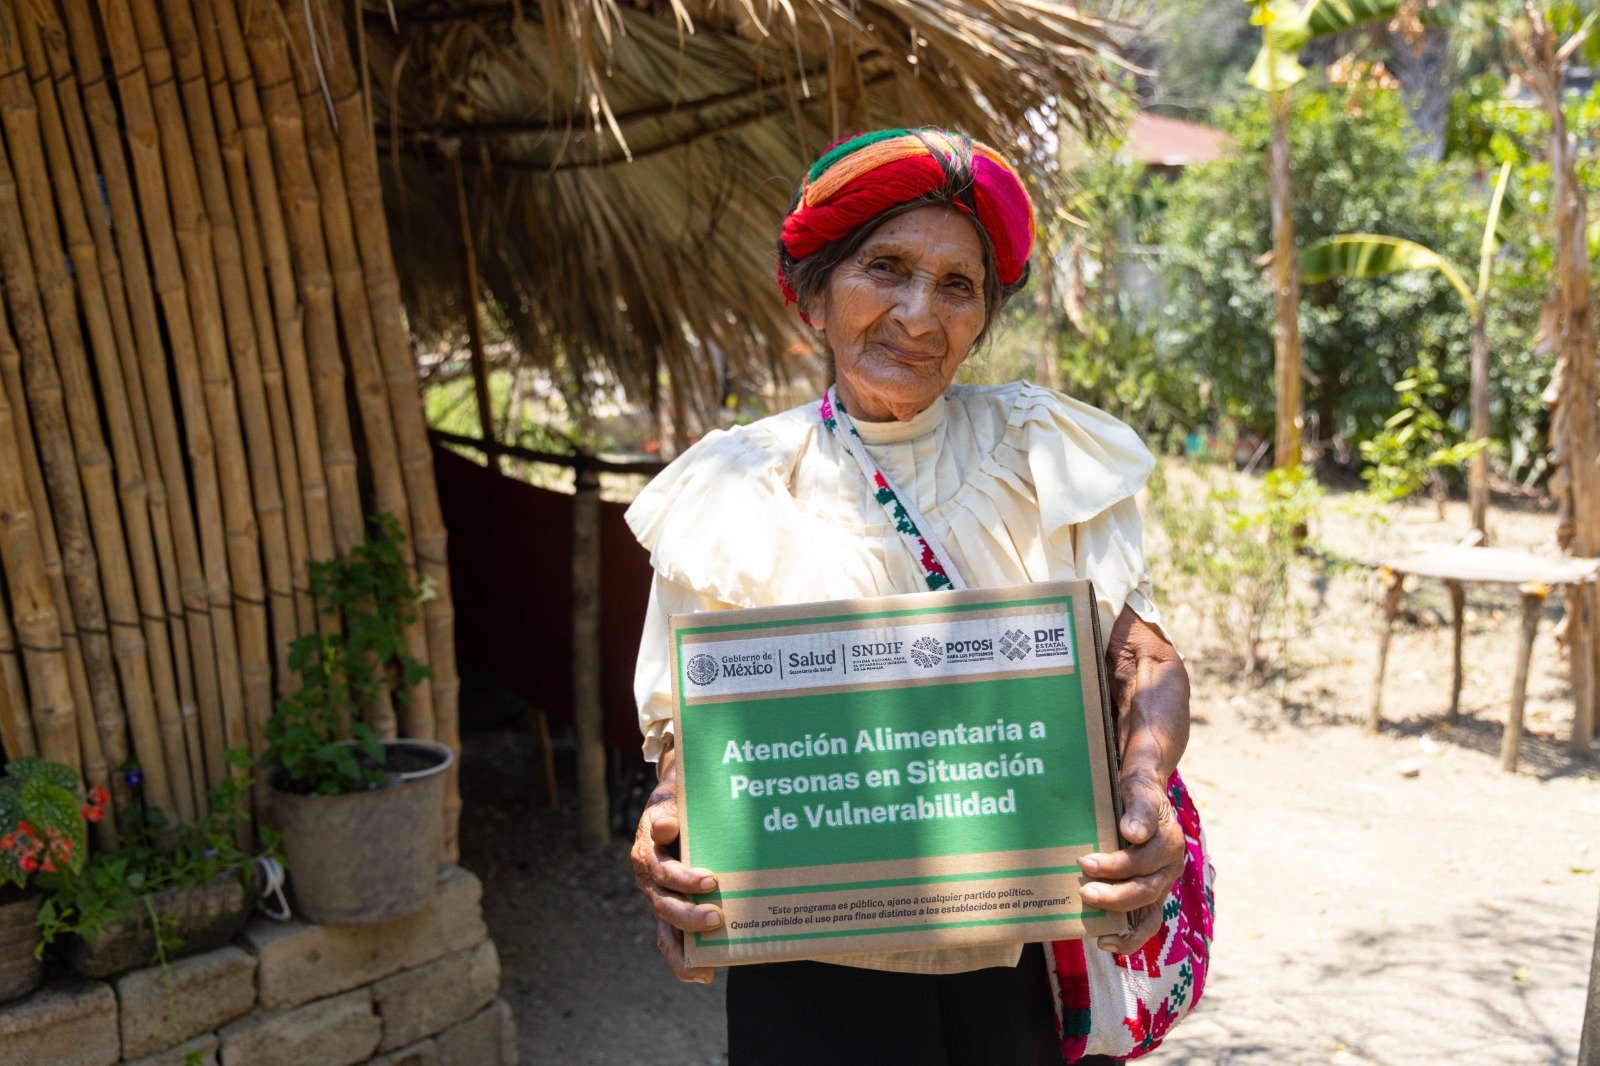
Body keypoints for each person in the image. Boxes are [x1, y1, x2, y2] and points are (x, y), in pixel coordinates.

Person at [628, 128, 1201, 1065]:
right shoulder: (735, 487)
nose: (918, 313)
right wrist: (668, 821)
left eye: (957, 285)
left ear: (982, 316)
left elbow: (1142, 655)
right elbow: (694, 728)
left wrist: (1144, 783)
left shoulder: (1039, 449)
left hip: (1015, 952)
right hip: (803, 966)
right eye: (885, 268)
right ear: (814, 295)